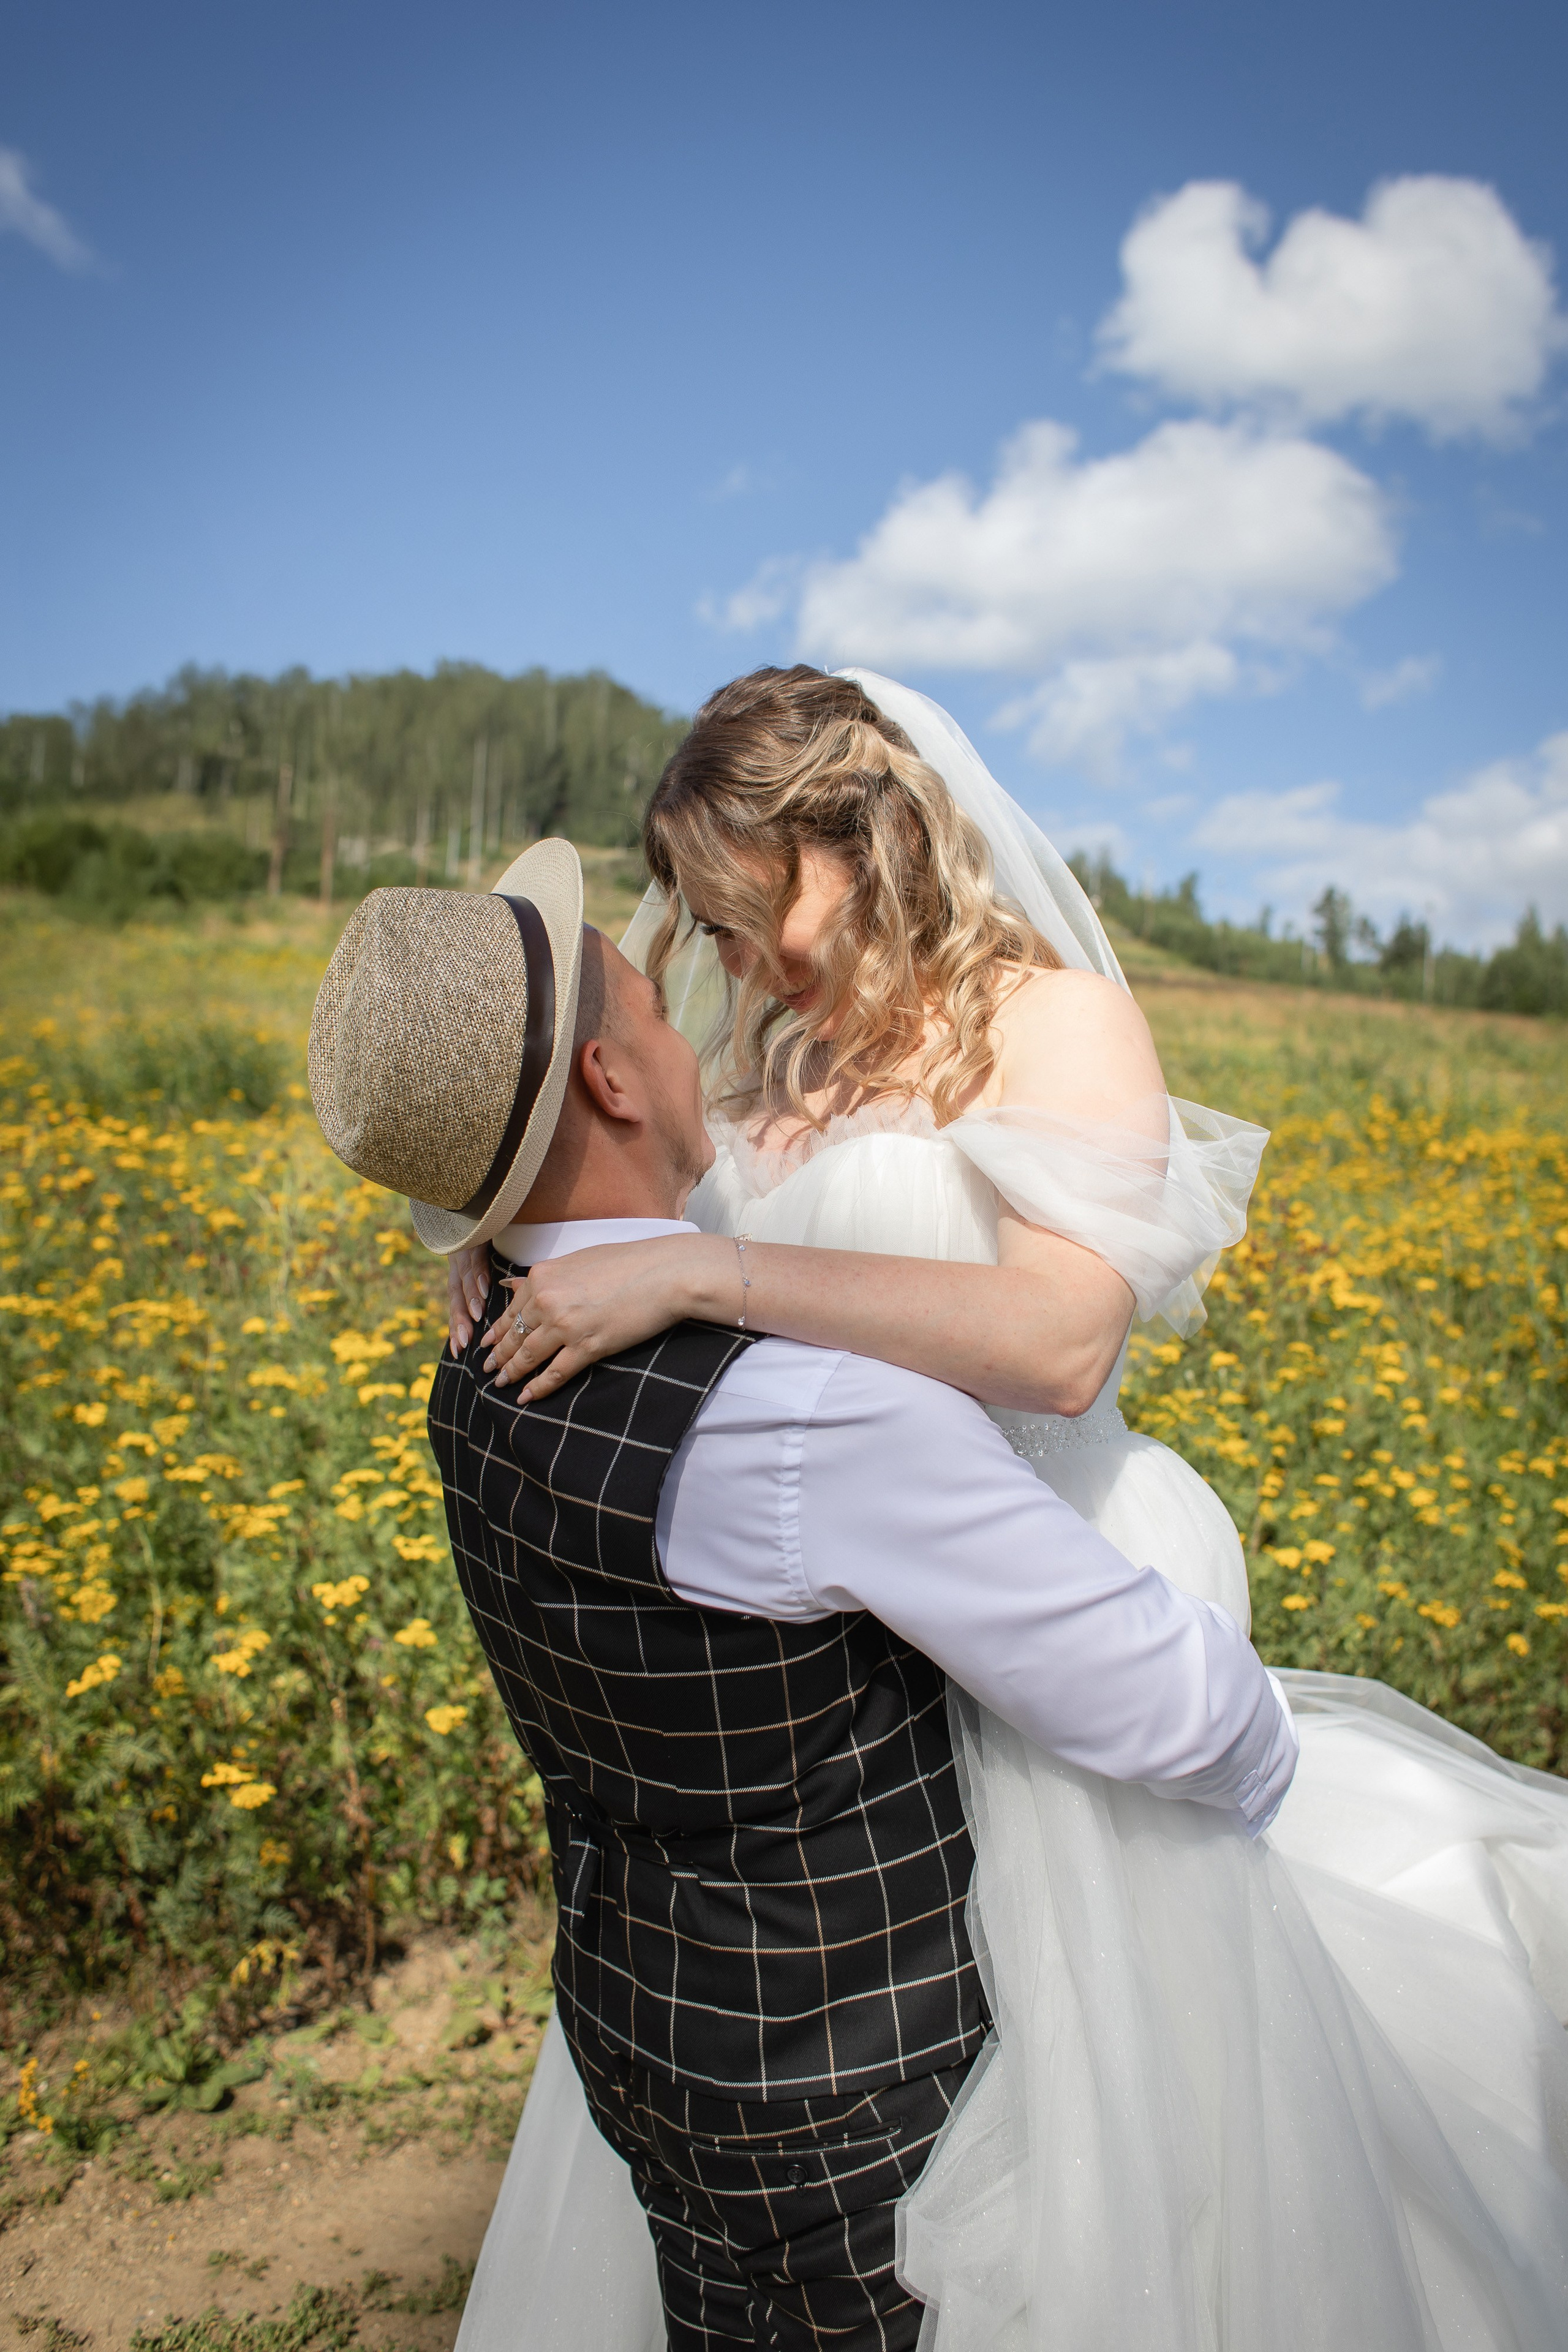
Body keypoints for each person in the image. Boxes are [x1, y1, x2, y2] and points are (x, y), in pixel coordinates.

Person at [443, 673, 1568, 2351]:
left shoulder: (1056, 1028)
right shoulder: (773, 1047)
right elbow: (609, 1135)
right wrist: (512, 1218)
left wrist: (711, 1265)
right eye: (709, 932)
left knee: (1128, 2138)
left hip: (1044, 1604)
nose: (737, 963)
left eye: (755, 916)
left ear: (872, 834)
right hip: (830, 1674)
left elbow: (1058, 1345)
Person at [306, 845, 1297, 2352]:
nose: (687, 1013)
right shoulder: (810, 1424)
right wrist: (1275, 1759)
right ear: (612, 1082)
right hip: (853, 2087)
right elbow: (1173, 1709)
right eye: (651, 1000)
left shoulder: (475, 1350)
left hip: (644, 2030)